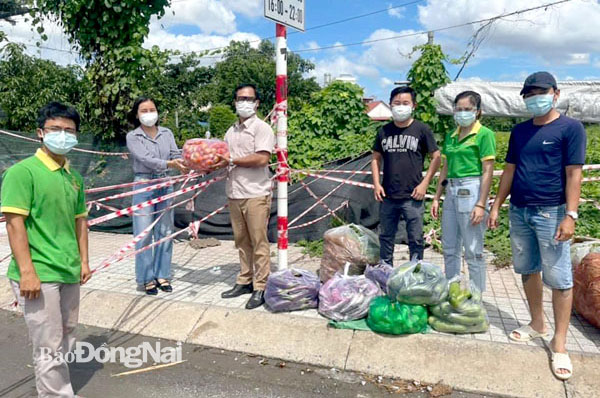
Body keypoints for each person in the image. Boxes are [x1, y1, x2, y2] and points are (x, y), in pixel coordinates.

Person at [488, 72, 586, 380]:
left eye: (540, 91)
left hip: (552, 213)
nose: (534, 97)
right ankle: (536, 323)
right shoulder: (520, 132)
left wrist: (570, 215)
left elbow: (574, 174)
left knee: (559, 277)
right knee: (528, 269)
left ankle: (559, 342)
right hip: (520, 211)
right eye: (529, 93)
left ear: (555, 93)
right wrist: (496, 204)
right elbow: (509, 170)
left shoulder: (570, 128)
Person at [2, 102, 91, 397]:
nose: (63, 135)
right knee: (49, 343)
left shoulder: (74, 178)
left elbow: (80, 223)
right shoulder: (22, 173)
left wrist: (84, 262)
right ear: (41, 133)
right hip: (38, 273)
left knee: (66, 335)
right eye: (56, 129)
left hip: (68, 269)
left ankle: (56, 388)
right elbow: (15, 224)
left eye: (69, 131)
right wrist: (27, 272)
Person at [216, 83, 275, 309]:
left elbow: (262, 159)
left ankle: (261, 285)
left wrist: (231, 161)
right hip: (234, 193)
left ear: (257, 103)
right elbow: (222, 157)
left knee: (259, 242)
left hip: (255, 194)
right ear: (235, 102)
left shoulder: (262, 129)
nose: (244, 102)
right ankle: (244, 279)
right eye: (240, 98)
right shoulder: (230, 131)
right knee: (241, 241)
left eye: (249, 99)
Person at [431, 91, 496, 292]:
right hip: (451, 190)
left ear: (478, 112)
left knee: (473, 249)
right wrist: (436, 197)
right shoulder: (452, 136)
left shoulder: (484, 134)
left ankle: (476, 297)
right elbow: (445, 166)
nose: (462, 113)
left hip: (472, 189)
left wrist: (480, 203)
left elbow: (488, 170)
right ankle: (453, 290)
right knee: (450, 246)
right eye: (458, 109)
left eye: (467, 109)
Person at [372, 86, 442, 264]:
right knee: (386, 237)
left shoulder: (421, 129)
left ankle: (415, 273)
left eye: (405, 103)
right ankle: (385, 273)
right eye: (396, 103)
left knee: (416, 238)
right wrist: (376, 184)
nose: (400, 106)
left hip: (413, 195)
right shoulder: (383, 131)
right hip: (388, 195)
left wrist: (425, 183)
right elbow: (375, 158)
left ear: (414, 105)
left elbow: (436, 157)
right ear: (390, 105)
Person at [126, 97, 188, 295]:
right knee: (143, 234)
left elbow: (174, 153)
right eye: (143, 110)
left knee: (164, 232)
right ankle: (146, 278)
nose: (148, 113)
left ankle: (163, 275)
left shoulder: (166, 133)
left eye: (152, 109)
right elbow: (145, 159)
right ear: (137, 114)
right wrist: (170, 164)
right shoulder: (133, 136)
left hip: (165, 183)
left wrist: (187, 163)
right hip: (144, 185)